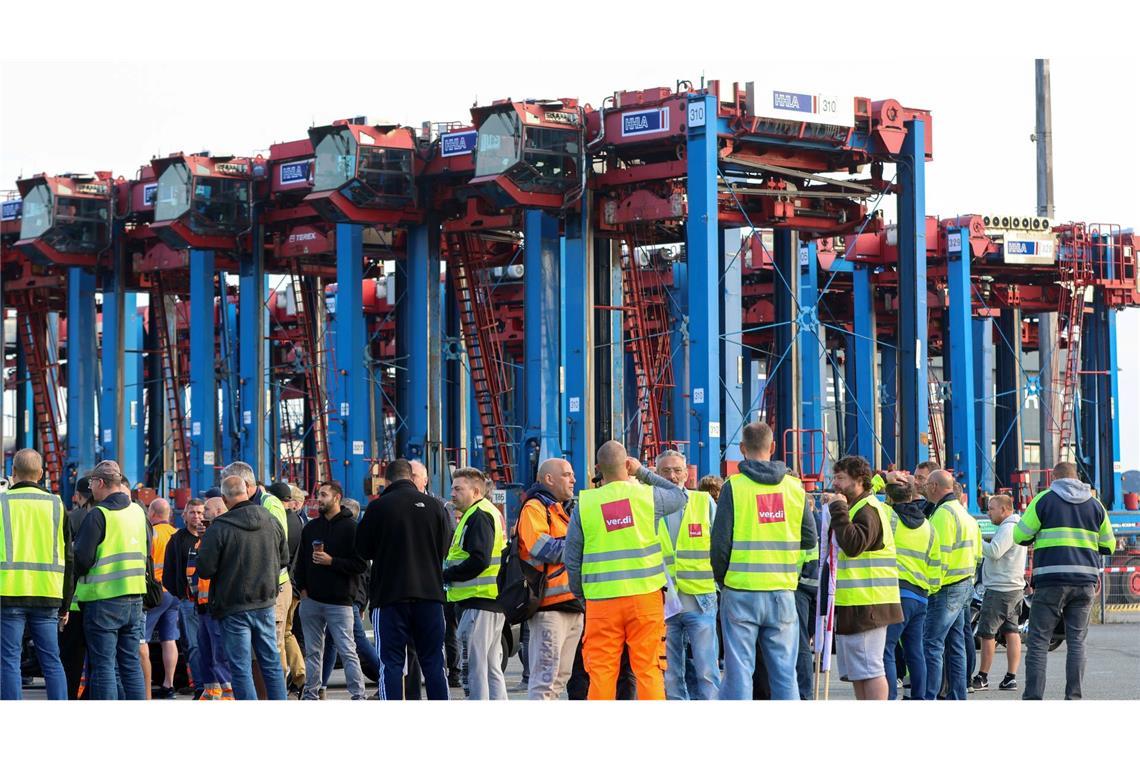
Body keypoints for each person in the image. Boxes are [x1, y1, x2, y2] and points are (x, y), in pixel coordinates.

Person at [564, 440, 687, 700]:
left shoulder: (585, 504)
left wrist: (581, 595)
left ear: (598, 468)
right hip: (645, 599)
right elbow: (680, 495)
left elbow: (572, 558)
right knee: (649, 670)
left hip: (601, 600)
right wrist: (642, 472)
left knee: (601, 672)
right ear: (627, 464)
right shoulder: (647, 497)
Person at [711, 422, 817, 700]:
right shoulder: (795, 488)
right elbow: (809, 539)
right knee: (784, 672)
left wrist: (724, 580)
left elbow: (720, 544)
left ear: (743, 449)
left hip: (740, 591)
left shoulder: (734, 488)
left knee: (739, 671)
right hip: (781, 592)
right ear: (772, 448)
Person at [1014, 462, 1115, 700]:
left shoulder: (1044, 500)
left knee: (1038, 640)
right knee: (1077, 641)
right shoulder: (1095, 504)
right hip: (1084, 583)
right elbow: (1109, 545)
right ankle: (1073, 698)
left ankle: (1033, 697)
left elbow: (1020, 535)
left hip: (1050, 580)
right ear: (1077, 478)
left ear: (1054, 479)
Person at [356, 458, 452, 700]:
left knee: (391, 664)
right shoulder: (435, 506)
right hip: (430, 595)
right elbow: (445, 548)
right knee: (434, 663)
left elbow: (363, 550)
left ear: (387, 480)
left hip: (390, 597)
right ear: (411, 477)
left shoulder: (378, 508)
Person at [196, 475, 288, 700]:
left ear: (225, 499)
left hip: (233, 607)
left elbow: (205, 569)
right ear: (246, 492)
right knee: (271, 663)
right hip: (265, 602)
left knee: (240, 668)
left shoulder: (220, 527)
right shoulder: (270, 519)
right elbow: (284, 558)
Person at [73, 460, 151, 700]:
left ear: (100, 483)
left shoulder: (99, 514)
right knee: (129, 663)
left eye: (92, 485)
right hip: (135, 599)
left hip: (103, 600)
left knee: (104, 666)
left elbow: (82, 559)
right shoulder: (138, 511)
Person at [827, 455, 903, 701]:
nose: (834, 483)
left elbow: (853, 545)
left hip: (869, 602)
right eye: (834, 477)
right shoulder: (858, 506)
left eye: (840, 478)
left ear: (859, 481)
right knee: (858, 673)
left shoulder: (867, 510)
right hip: (855, 601)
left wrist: (838, 510)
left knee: (870, 669)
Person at [0, 448, 72, 700]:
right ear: (41, 474)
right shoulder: (57, 505)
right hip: (47, 594)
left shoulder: (2, 502)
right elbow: (69, 557)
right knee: (52, 660)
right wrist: (66, 603)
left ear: (13, 473)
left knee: (8, 660)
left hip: (8, 593)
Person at [653, 449, 719, 700]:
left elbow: (719, 544)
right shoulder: (648, 506)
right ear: (656, 474)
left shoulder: (703, 502)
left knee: (706, 670)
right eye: (665, 471)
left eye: (677, 470)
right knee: (670, 672)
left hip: (699, 600)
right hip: (663, 601)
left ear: (687, 474)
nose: (671, 476)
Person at [516, 457, 584, 700]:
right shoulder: (535, 507)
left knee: (558, 681)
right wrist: (584, 544)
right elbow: (542, 547)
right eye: (567, 474)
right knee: (545, 682)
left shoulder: (560, 509)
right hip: (549, 609)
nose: (574, 479)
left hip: (571, 606)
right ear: (548, 479)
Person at [295, 482, 368, 700]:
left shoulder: (351, 528)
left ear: (337, 498)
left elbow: (360, 565)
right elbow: (301, 563)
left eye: (324, 495)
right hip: (312, 601)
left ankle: (358, 695)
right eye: (319, 494)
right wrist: (303, 591)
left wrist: (332, 561)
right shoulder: (311, 528)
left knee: (347, 650)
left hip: (340, 601)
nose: (319, 499)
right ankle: (310, 694)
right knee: (313, 652)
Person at [219, 462, 291, 679]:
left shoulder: (270, 504)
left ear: (247, 485)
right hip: (257, 587)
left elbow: (278, 546)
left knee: (270, 654)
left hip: (272, 586)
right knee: (255, 657)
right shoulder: (250, 506)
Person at [443, 467, 507, 700]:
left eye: (458, 489)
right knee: (490, 668)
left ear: (476, 490)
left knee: (476, 670)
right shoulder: (482, 512)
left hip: (478, 602)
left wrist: (448, 575)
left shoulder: (478, 515)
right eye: (452, 488)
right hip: (487, 601)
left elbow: (479, 559)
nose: (452, 494)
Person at [920, 469, 980, 700]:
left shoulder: (943, 514)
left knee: (932, 645)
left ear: (935, 486)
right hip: (964, 584)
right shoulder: (965, 515)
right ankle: (958, 695)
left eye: (927, 484)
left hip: (945, 588)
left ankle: (929, 696)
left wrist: (931, 587)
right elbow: (977, 554)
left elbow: (938, 556)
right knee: (956, 646)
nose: (924, 488)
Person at [881, 471, 940, 700]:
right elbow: (935, 565)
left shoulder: (888, 515)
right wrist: (929, 589)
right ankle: (920, 698)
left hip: (898, 592)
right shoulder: (929, 526)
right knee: (915, 652)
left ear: (889, 496)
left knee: (886, 648)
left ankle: (889, 697)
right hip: (921, 596)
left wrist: (883, 478)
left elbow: (867, 497)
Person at [318, 497, 383, 693]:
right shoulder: (359, 535)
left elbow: (358, 571)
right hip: (352, 598)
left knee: (357, 640)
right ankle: (321, 684)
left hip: (348, 598)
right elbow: (368, 575)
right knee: (331, 641)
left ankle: (386, 675)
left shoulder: (350, 536)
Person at [973, 494, 1027, 692]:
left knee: (987, 634)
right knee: (1012, 631)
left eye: (992, 508)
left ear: (1004, 509)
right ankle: (1010, 678)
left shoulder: (1008, 527)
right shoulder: (1018, 526)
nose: (989, 512)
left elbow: (995, 551)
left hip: (999, 589)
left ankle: (982, 677)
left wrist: (975, 541)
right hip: (1014, 588)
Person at [163, 498, 206, 698]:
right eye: (193, 512)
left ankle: (213, 684)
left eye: (200, 512)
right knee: (193, 645)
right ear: (184, 515)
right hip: (188, 602)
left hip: (210, 603)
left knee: (212, 644)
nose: (197, 516)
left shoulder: (211, 536)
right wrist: (180, 596)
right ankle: (200, 687)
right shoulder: (177, 539)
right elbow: (168, 572)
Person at [194, 497, 233, 700]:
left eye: (206, 509)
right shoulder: (208, 535)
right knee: (206, 652)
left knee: (220, 652)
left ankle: (228, 692)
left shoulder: (221, 533)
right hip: (203, 605)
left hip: (216, 604)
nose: (202, 514)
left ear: (218, 510)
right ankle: (212, 690)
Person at [269, 481, 306, 693]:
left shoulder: (278, 520)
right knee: (287, 633)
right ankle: (300, 676)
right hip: (294, 584)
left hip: (282, 583)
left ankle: (282, 679)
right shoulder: (298, 521)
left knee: (279, 635)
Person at [59, 476, 94, 699]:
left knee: (70, 656)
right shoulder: (110, 516)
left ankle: (69, 697)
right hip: (102, 597)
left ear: (79, 496)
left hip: (73, 599)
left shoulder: (73, 517)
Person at [143, 498, 180, 698]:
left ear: (153, 514)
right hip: (174, 594)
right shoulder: (177, 534)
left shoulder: (153, 534)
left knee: (142, 638)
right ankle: (169, 684)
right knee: (169, 638)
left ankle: (144, 683)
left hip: (157, 593)